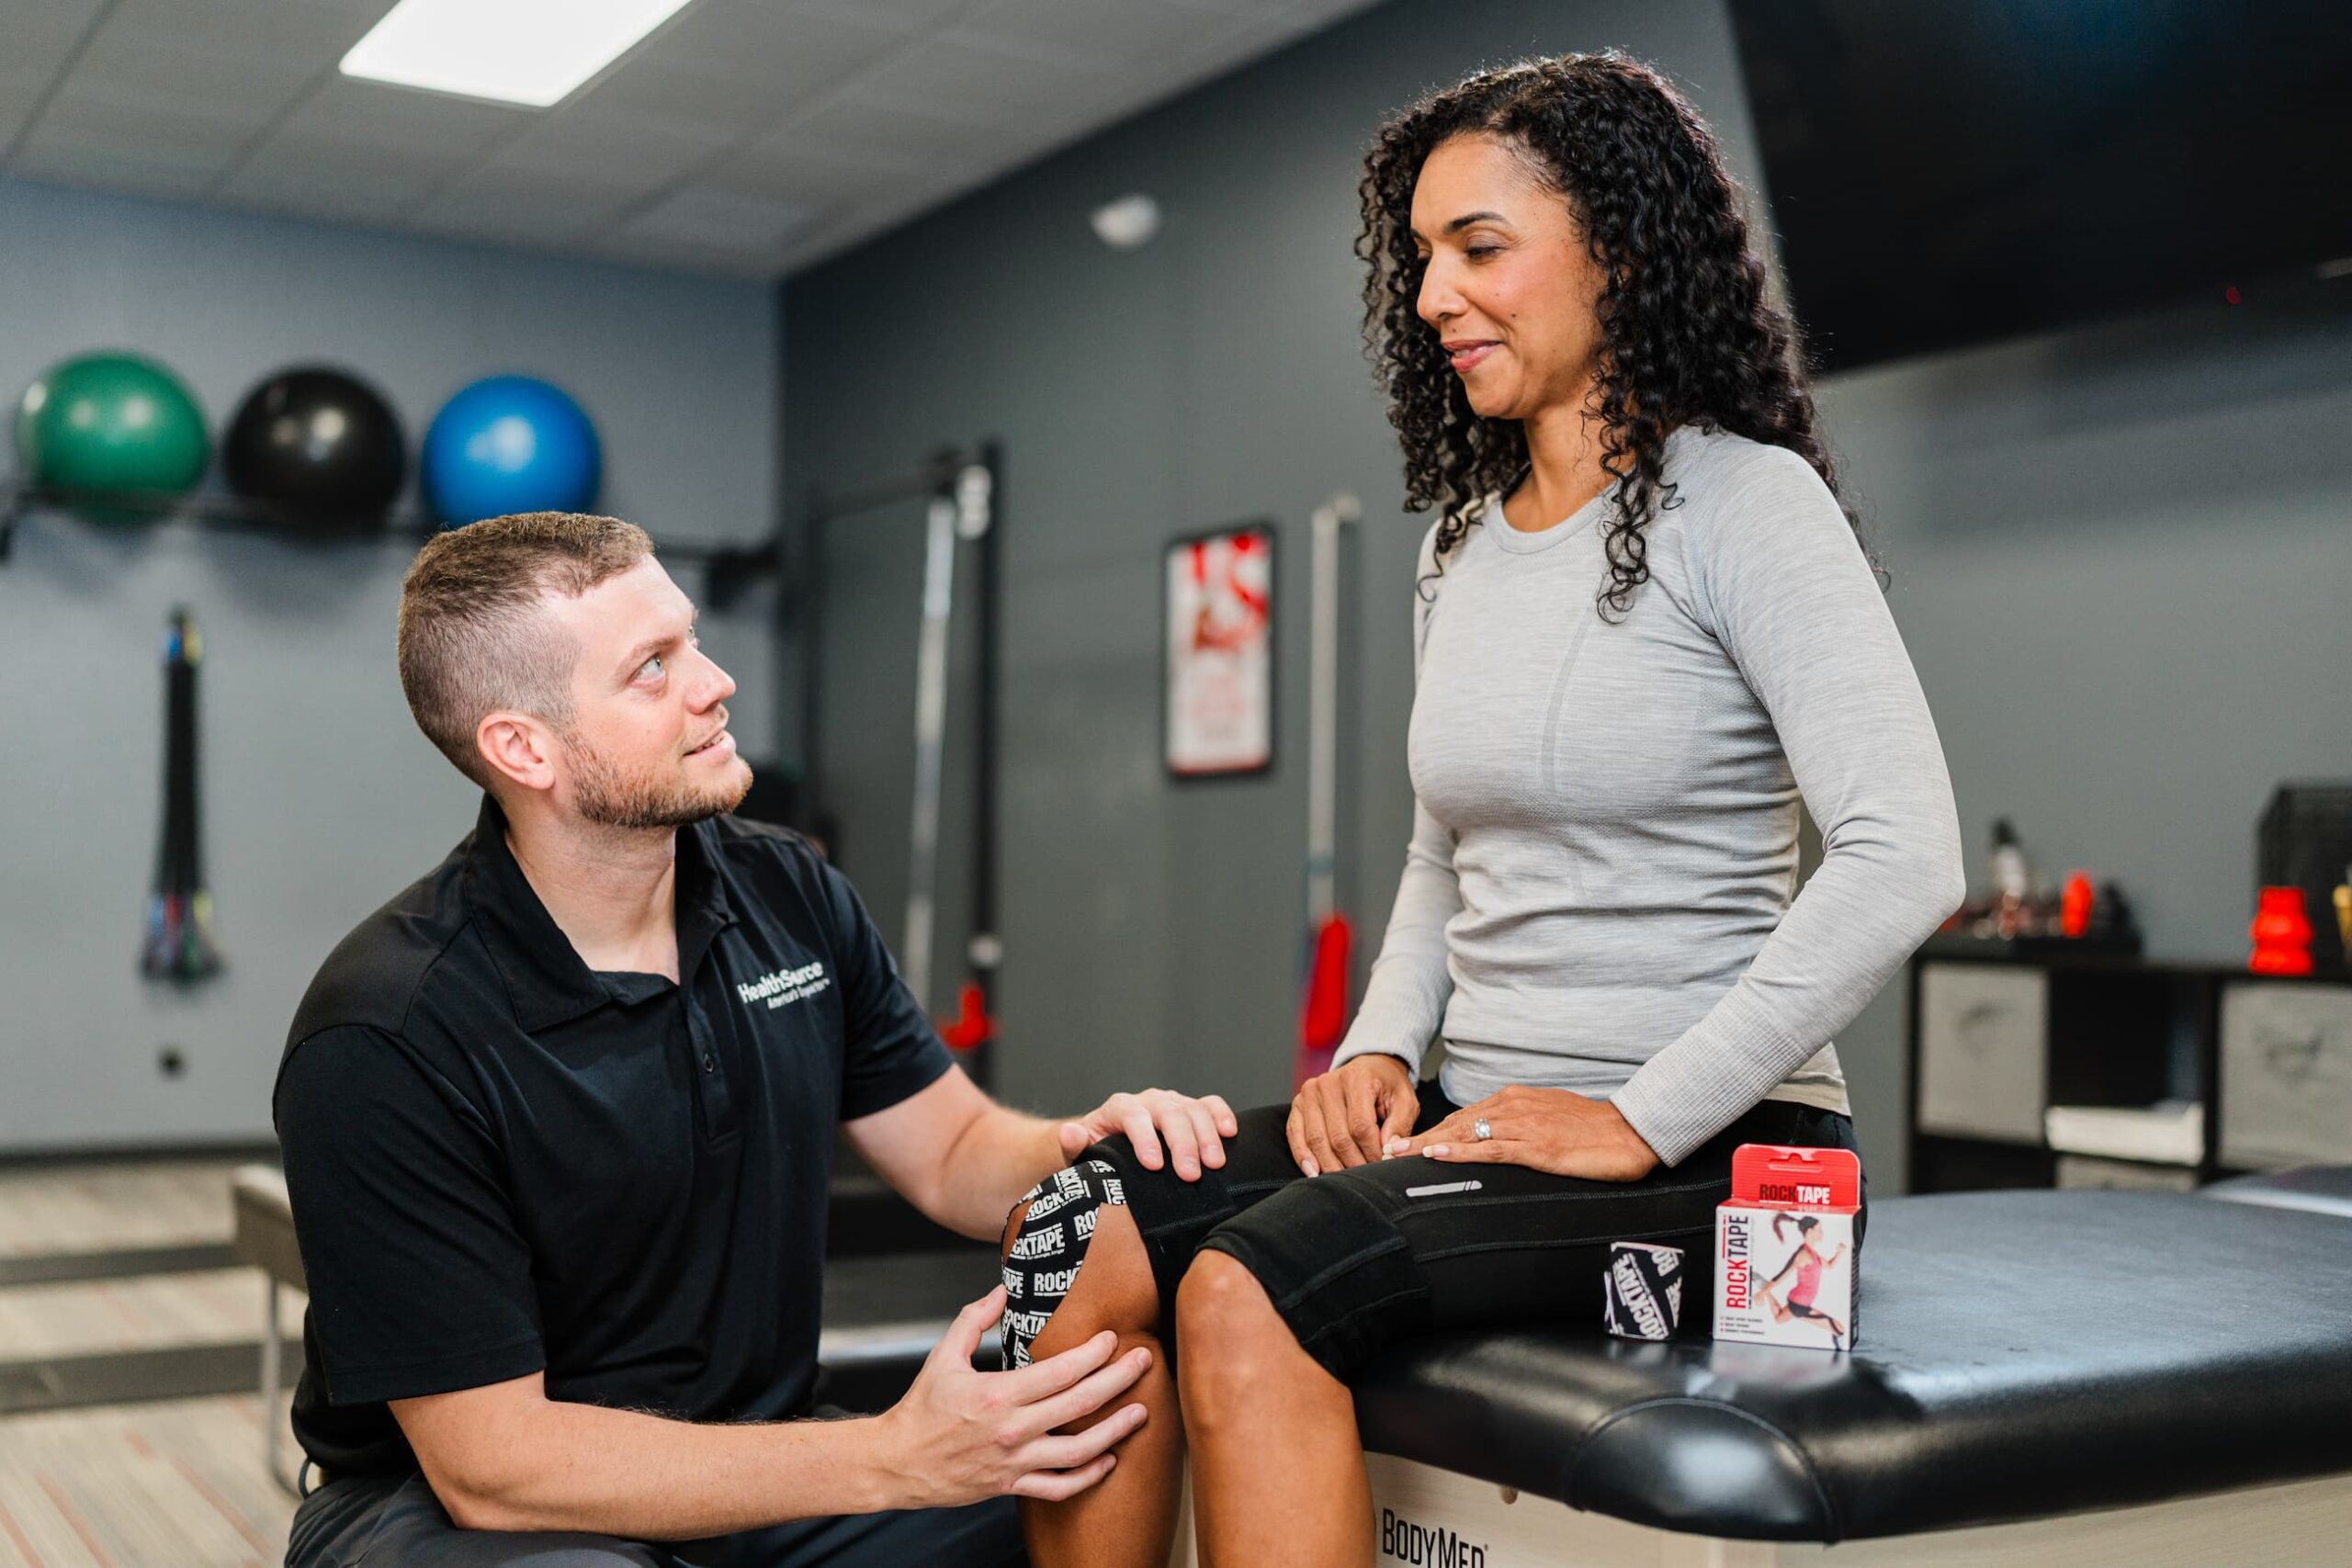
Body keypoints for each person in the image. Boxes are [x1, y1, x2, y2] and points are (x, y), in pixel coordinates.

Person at [994, 52, 1965, 1568]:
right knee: (1073, 1226)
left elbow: (1908, 854)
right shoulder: (1463, 540)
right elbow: (1445, 848)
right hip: (1490, 1124)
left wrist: (1643, 1115)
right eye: (1422, 254)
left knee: (1249, 1286)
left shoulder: (1746, 503)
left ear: (1624, 252)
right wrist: (1379, 1046)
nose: (1436, 291)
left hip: (1733, 1157)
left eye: (1480, 246)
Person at [277, 511, 1239, 1567]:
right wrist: (895, 1456)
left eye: (691, 640)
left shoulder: (785, 889)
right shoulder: (386, 1030)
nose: (714, 682)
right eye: (653, 668)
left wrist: (1087, 1145)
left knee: (1098, 1440)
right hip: (459, 1511)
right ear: (522, 748)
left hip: (767, 1462)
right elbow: (496, 1466)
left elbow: (955, 1153)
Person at [1764, 1214, 1849, 1348]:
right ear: (1810, 1232)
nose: (1822, 1233)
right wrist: (1763, 1291)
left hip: (1798, 1301)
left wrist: (1839, 1253)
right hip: (1800, 1305)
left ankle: (1765, 1292)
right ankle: (1764, 1291)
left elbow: (1830, 1266)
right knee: (1839, 1329)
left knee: (1779, 1319)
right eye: (1819, 1230)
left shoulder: (1812, 1253)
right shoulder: (1803, 1255)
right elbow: (1782, 1275)